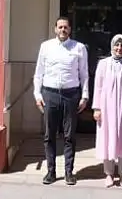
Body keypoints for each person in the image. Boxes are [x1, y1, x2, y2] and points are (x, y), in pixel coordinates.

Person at [33, 16, 89, 186]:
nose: (63, 30)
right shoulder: (46, 46)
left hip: (71, 95)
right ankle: (50, 172)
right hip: (50, 94)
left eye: (66, 27)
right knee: (49, 135)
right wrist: (37, 95)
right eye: (60, 27)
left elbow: (84, 74)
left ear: (70, 29)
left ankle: (69, 172)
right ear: (55, 29)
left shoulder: (79, 48)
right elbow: (39, 73)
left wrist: (84, 96)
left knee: (69, 136)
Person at [92, 34, 122, 188]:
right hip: (107, 109)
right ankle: (109, 174)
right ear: (112, 46)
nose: (119, 48)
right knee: (108, 139)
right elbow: (98, 87)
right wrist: (97, 108)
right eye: (117, 45)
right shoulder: (103, 64)